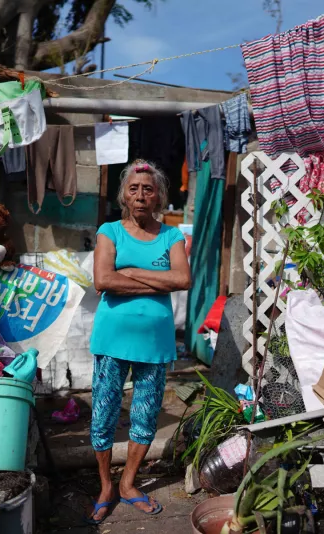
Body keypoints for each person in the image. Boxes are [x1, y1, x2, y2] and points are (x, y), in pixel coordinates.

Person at [86, 159, 191, 524]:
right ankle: (105, 486)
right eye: (134, 189)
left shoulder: (171, 235)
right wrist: (157, 279)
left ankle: (129, 483)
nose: (141, 195)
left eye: (148, 189)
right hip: (112, 338)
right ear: (124, 196)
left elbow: (183, 280)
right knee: (103, 414)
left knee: (145, 416)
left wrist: (129, 272)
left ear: (159, 195)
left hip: (155, 341)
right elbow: (103, 281)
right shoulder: (109, 231)